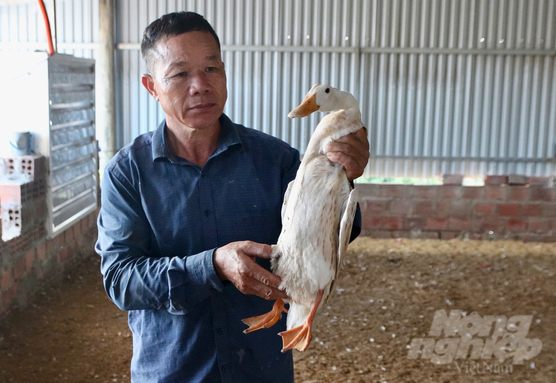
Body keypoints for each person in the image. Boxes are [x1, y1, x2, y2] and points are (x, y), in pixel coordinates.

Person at [95, 11, 370, 383]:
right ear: (151, 86)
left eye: (212, 69)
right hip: (174, 372)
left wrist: (343, 176)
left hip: (260, 371)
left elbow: (343, 229)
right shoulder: (128, 173)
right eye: (179, 74)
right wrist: (212, 266)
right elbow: (121, 279)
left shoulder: (275, 160)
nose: (200, 85)